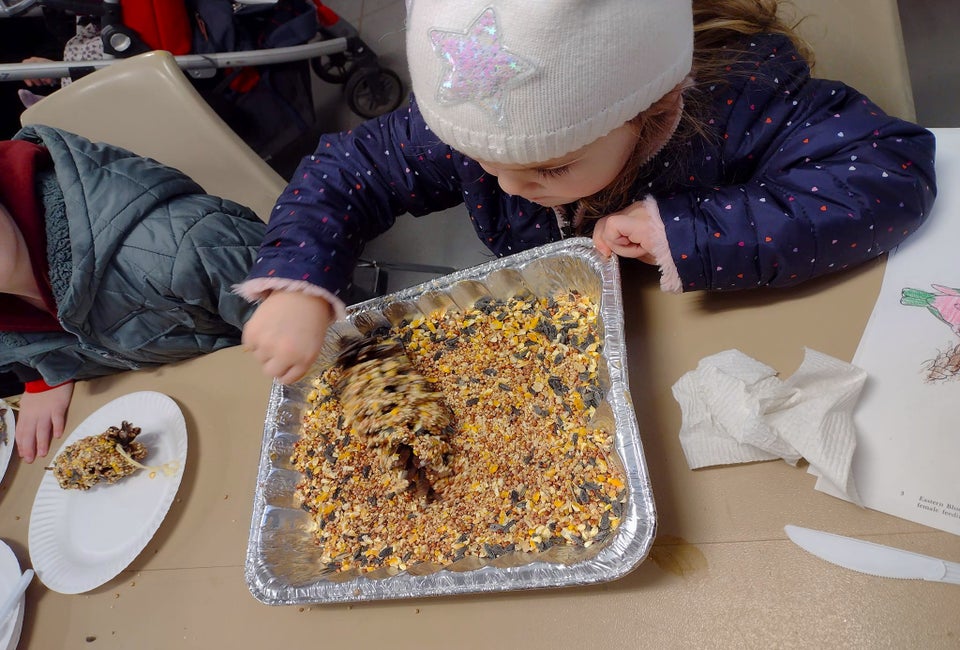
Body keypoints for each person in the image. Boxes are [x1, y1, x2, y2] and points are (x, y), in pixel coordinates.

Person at [238, 0, 938, 385]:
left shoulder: (741, 101)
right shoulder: (472, 117)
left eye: (550, 170)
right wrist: (300, 282)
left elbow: (889, 174)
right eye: (476, 161)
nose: (508, 186)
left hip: (715, 327)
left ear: (655, 111)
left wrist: (687, 230)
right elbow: (343, 171)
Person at [1, 125, 266, 463]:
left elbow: (332, 326)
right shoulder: (10, 327)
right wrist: (39, 377)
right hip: (198, 427)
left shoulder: (175, 246)